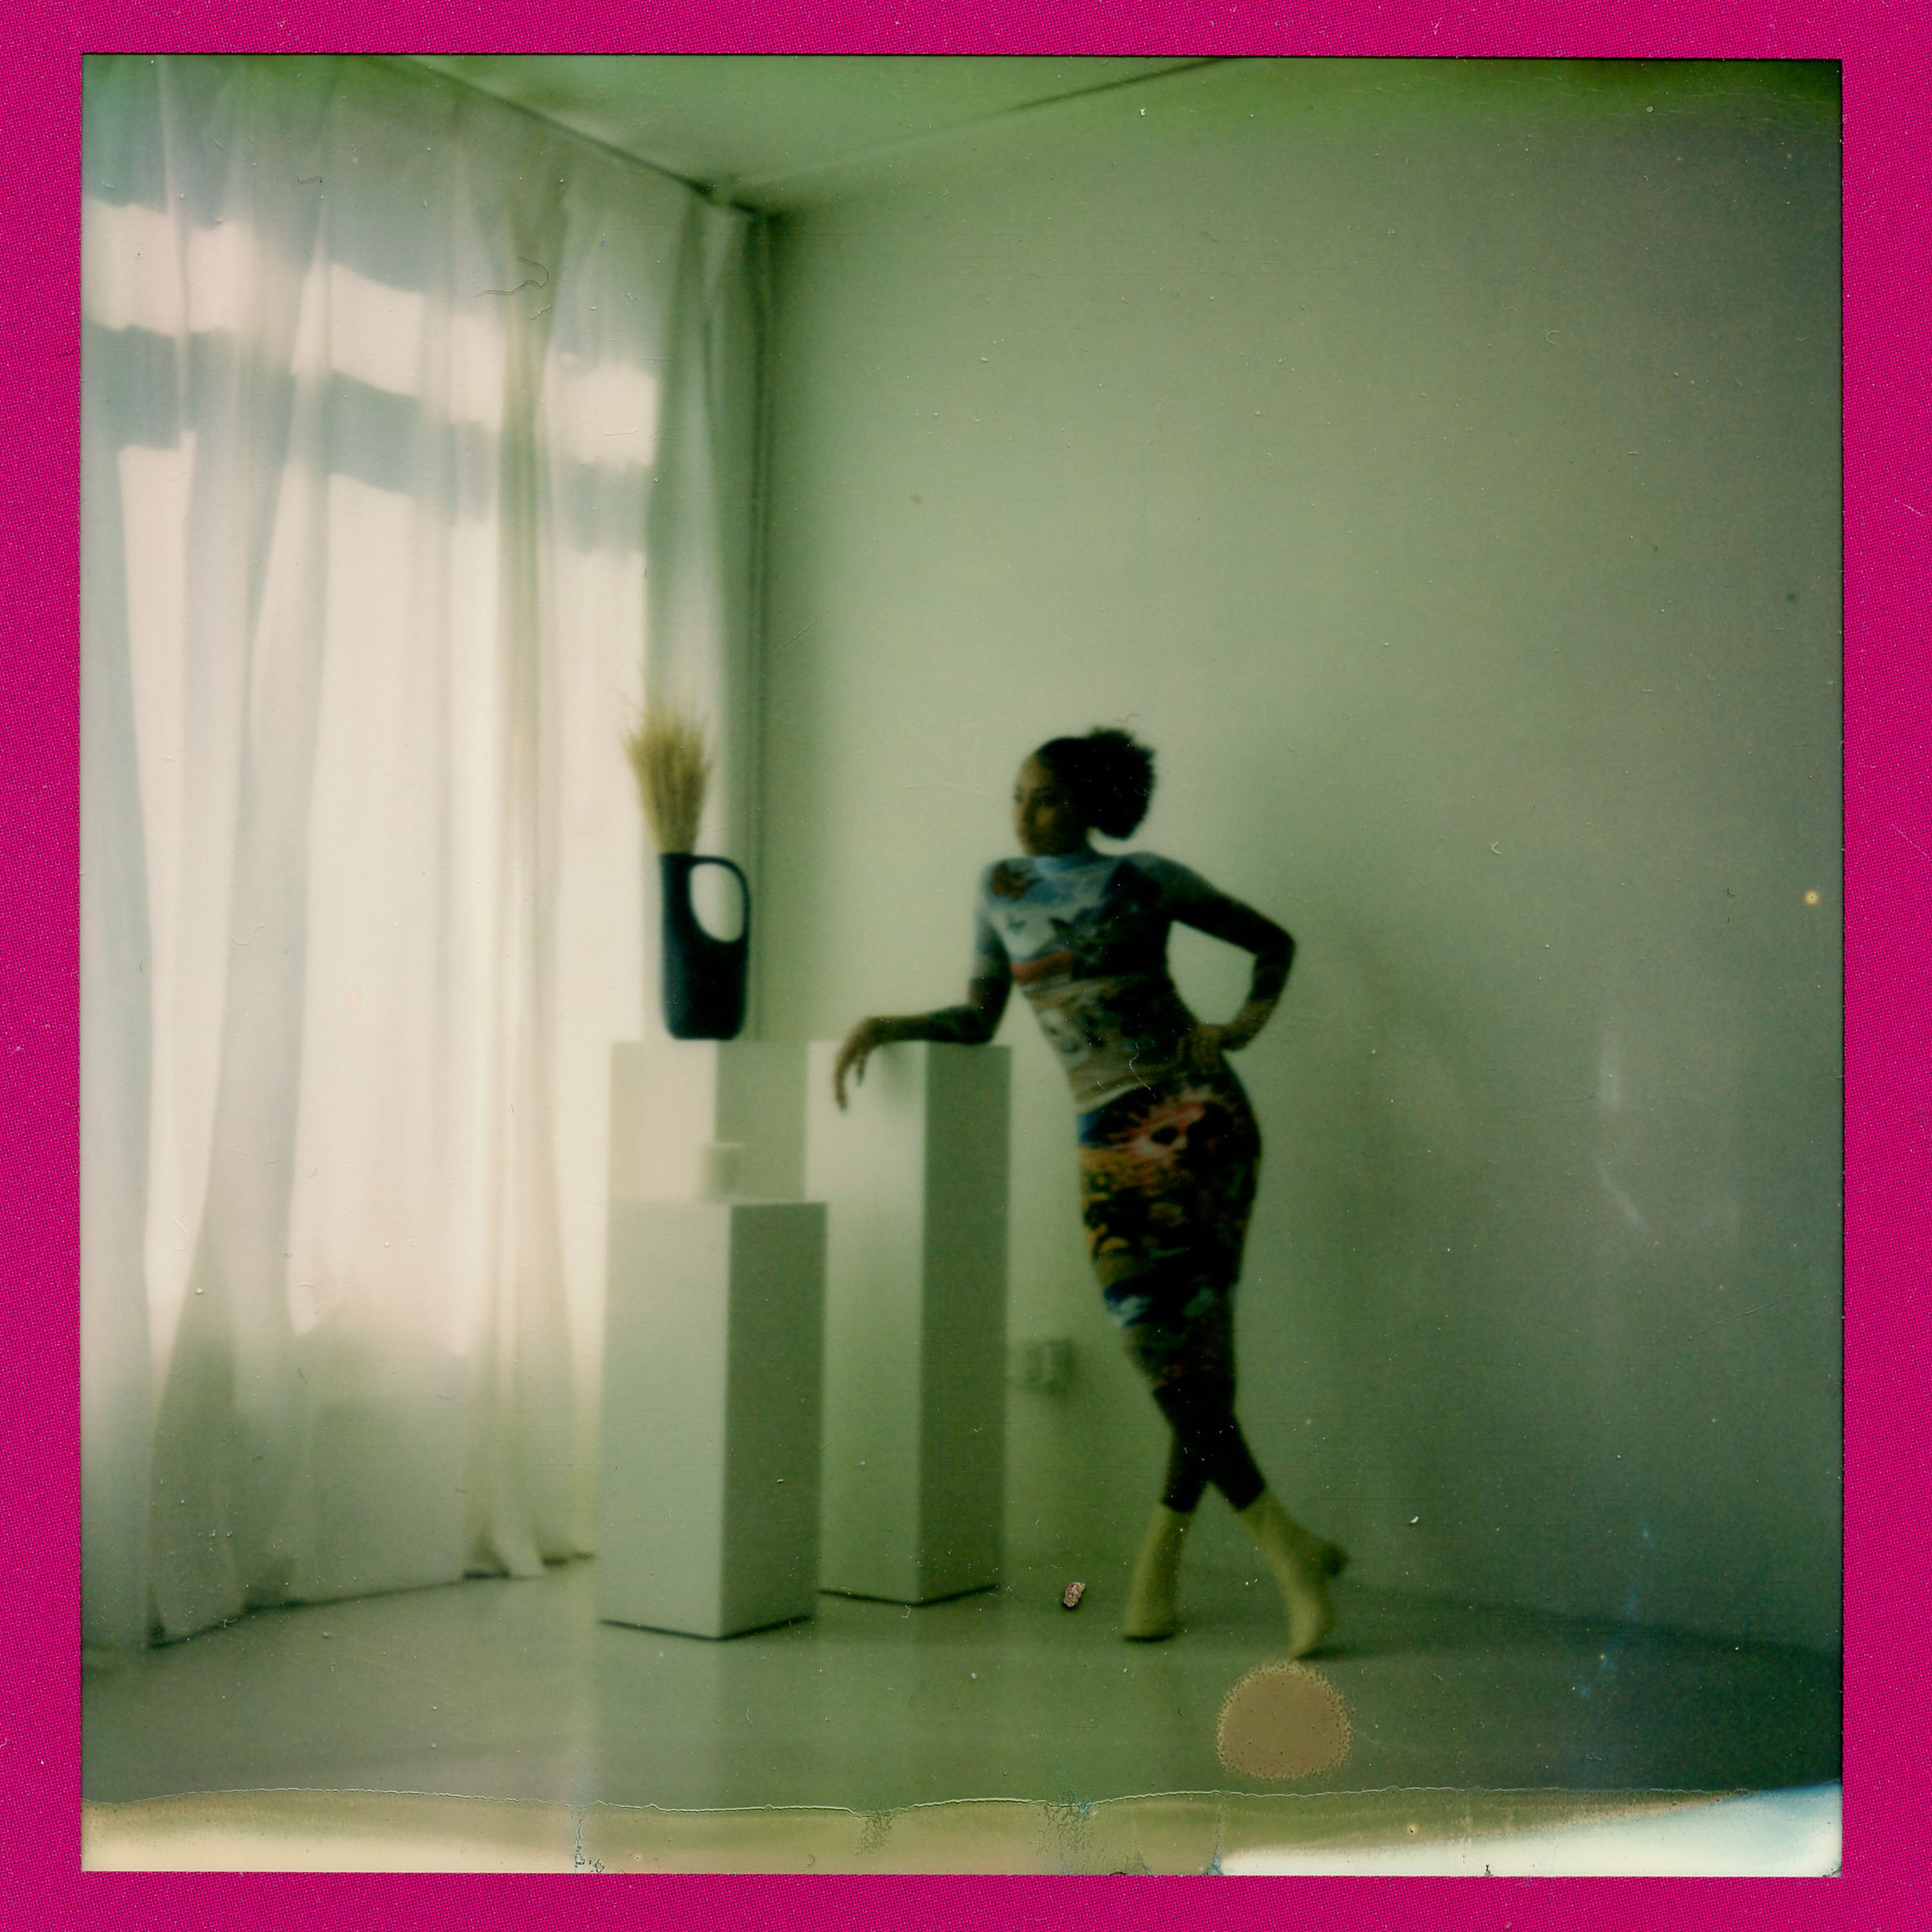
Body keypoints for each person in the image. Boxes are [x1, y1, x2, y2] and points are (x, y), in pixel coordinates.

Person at [833, 728, 1346, 1654]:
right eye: (1018, 796)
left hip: (1201, 1118)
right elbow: (978, 1017)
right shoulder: (1001, 889)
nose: (1025, 815)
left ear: (1091, 805)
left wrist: (1239, 1027)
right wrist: (885, 1025)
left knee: (1187, 1356)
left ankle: (1246, 1562)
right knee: (1166, 1351)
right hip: (1106, 1132)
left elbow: (1274, 943)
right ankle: (1244, 1554)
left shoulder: (1146, 879)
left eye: (1048, 800)